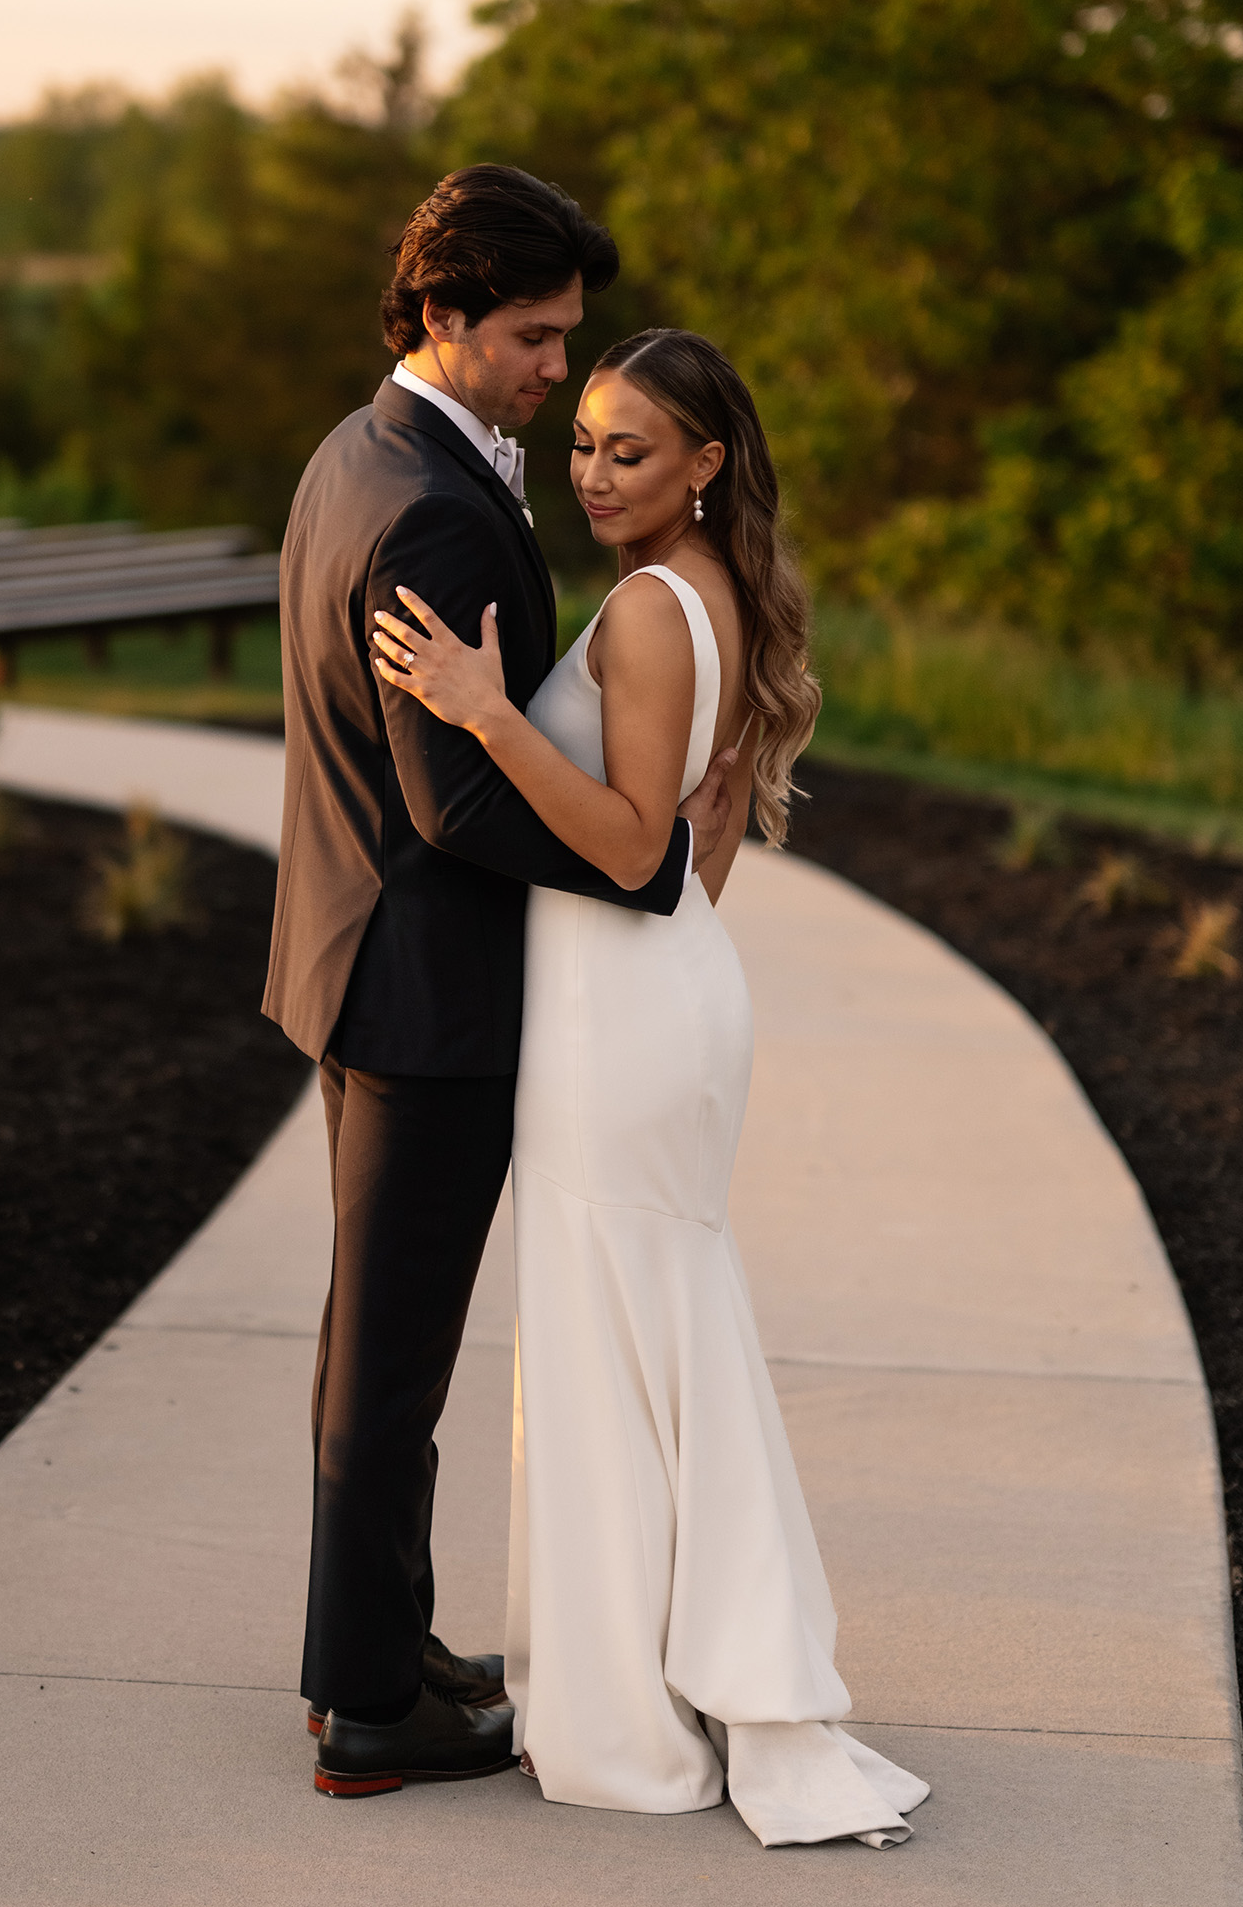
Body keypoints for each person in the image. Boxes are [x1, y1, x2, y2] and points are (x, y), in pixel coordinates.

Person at [372, 326, 931, 1849]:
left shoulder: (642, 614)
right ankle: (680, 1677)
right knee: (649, 1336)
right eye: (586, 445)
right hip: (668, 1001)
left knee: (613, 1349)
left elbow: (631, 853)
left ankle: (635, 1715)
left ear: (707, 463)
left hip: (623, 1021)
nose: (596, 472)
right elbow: (704, 852)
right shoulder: (728, 599)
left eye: (632, 449)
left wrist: (485, 712)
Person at [263, 171, 736, 1800]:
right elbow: (449, 802)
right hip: (426, 997)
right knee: (392, 1360)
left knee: (374, 1344)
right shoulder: (436, 508)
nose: (558, 370)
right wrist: (634, 859)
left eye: (567, 337)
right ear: (445, 316)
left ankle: (379, 1648)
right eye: (534, 338)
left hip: (357, 962)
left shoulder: (361, 451)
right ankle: (372, 1710)